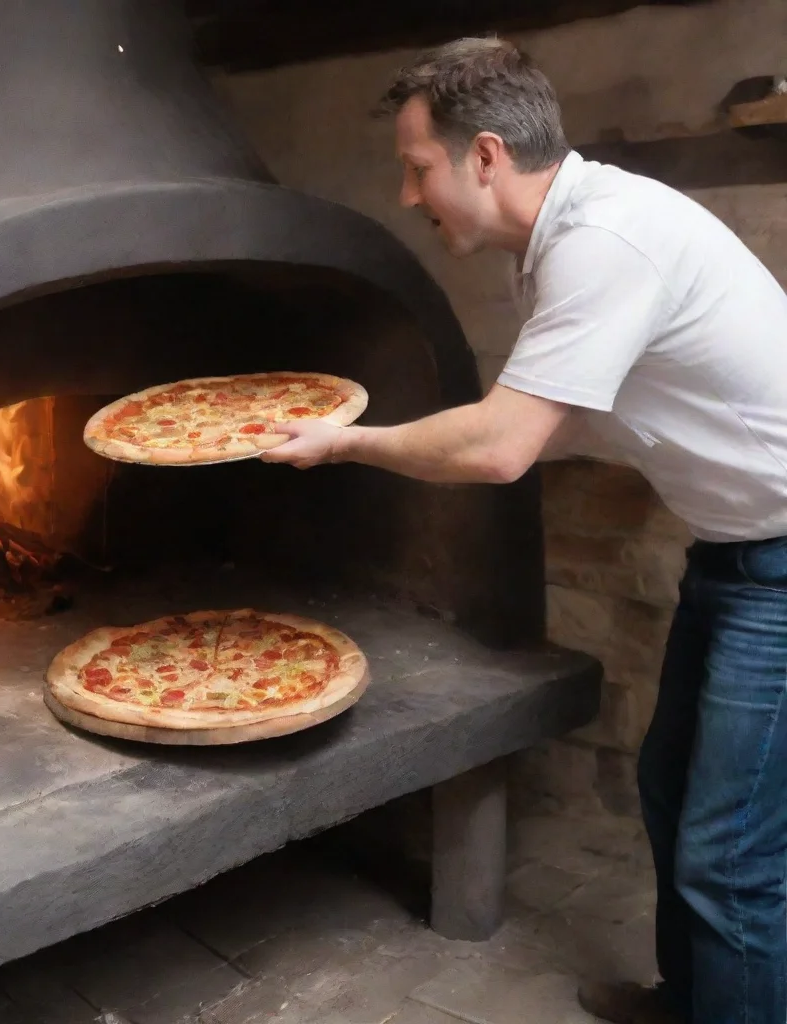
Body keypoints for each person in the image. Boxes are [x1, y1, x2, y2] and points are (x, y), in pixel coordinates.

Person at [260, 36, 787, 1024]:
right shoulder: (555, 245)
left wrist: (346, 444)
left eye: (418, 170)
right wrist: (427, 439)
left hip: (781, 562)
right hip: (735, 550)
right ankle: (695, 1001)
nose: (412, 197)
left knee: (733, 854)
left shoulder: (604, 243)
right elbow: (559, 420)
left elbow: (502, 447)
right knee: (671, 787)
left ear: (486, 155)